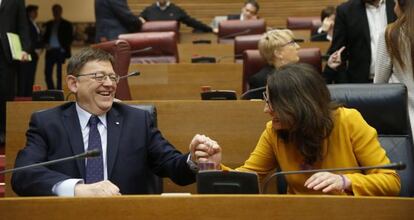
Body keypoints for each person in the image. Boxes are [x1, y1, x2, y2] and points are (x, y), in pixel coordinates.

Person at [11, 47, 221, 196]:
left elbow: (173, 167)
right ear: (73, 83)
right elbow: (23, 175)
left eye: (113, 77)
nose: (110, 84)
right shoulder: (48, 123)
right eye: (99, 76)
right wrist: (77, 189)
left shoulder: (137, 121)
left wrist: (194, 160)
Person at [224, 63, 400, 195]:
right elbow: (246, 179)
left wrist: (345, 181)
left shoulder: (348, 121)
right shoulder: (273, 131)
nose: (266, 110)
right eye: (267, 100)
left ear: (298, 106)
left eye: (272, 104)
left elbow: (391, 182)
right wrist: (213, 165)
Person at [325, 0, 397, 83]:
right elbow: (339, 53)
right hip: (359, 85)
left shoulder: (398, 5)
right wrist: (345, 86)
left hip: (395, 81)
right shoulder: (345, 10)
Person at [374, 0, 414, 140]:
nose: (394, 7)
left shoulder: (390, 34)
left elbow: (380, 84)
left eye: (396, 3)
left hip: (404, 120)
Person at [0, 0, 30, 145]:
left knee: (5, 92)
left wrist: (24, 48)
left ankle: (3, 132)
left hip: (6, 54)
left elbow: (22, 24)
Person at [43, 4, 73, 90]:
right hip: (50, 51)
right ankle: (51, 91)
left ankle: (59, 92)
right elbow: (44, 38)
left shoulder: (67, 24)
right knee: (47, 73)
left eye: (58, 10)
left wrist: (63, 48)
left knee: (60, 73)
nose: (56, 12)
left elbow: (70, 37)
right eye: (54, 10)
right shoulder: (48, 24)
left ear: (61, 11)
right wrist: (45, 45)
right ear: (52, 12)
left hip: (61, 52)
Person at [140, 0, 212, 32]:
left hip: (172, 43)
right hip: (152, 43)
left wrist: (210, 29)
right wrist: (140, 20)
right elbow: (138, 20)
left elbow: (191, 22)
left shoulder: (176, 10)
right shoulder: (149, 10)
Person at [17, 4, 42, 97]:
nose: (36, 13)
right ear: (29, 13)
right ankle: (23, 97)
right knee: (25, 76)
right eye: (34, 11)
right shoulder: (26, 23)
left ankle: (28, 96)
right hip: (28, 53)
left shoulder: (34, 23)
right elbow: (28, 39)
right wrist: (34, 49)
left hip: (34, 55)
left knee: (31, 76)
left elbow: (38, 38)